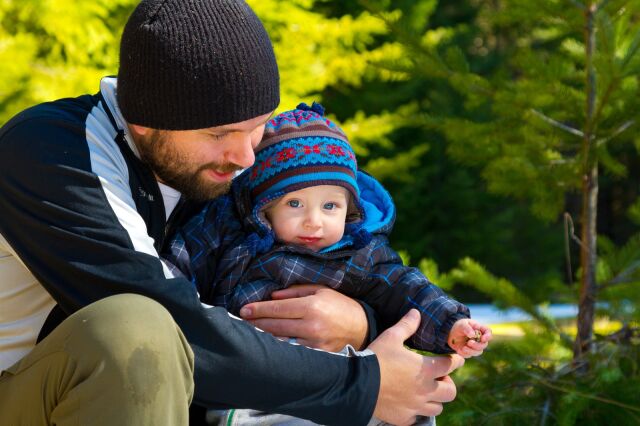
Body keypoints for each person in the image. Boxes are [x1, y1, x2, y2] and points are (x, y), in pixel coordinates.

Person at [0, 1, 463, 425]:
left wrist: (361, 325)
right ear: (145, 121)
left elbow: (310, 274)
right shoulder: (51, 153)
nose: (244, 157)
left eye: (257, 127)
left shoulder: (221, 170)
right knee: (134, 330)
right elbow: (181, 328)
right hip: (24, 392)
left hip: (159, 395)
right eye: (219, 133)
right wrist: (361, 383)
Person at [168, 102, 492, 361]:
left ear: (349, 208)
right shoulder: (231, 231)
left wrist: (451, 324)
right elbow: (178, 265)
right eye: (294, 204)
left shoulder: (361, 254)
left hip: (326, 381)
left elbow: (408, 292)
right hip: (238, 368)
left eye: (330, 206)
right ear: (264, 207)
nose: (314, 221)